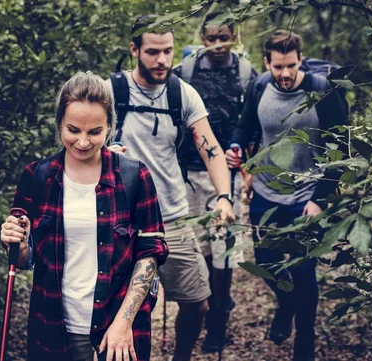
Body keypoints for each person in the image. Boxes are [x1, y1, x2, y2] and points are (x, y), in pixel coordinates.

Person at [0, 72, 168, 361]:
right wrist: (17, 242)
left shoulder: (134, 176)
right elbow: (24, 260)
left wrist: (123, 323)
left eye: (94, 132)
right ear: (59, 125)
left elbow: (150, 254)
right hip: (53, 328)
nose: (82, 141)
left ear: (109, 129)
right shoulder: (36, 177)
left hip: (119, 330)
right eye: (73, 130)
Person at [107, 15, 236, 361]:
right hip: (121, 221)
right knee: (121, 307)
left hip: (172, 219)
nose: (162, 60)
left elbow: (211, 150)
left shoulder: (182, 93)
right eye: (152, 52)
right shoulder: (110, 91)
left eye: (167, 51)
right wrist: (105, 155)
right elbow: (77, 144)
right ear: (134, 50)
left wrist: (223, 196)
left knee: (197, 303)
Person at [226, 30, 349, 361]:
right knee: (266, 262)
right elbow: (245, 125)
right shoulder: (259, 86)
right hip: (266, 191)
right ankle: (286, 305)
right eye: (278, 66)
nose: (284, 74)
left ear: (300, 60)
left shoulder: (322, 90)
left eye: (291, 66)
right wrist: (235, 146)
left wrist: (321, 198)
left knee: (303, 271)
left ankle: (304, 344)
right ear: (267, 61)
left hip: (306, 194)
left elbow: (344, 147)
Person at [173, 12, 258, 353]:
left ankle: (220, 317)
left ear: (234, 35)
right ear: (203, 38)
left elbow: (253, 121)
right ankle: (209, 305)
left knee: (225, 250)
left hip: (230, 174)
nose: (219, 45)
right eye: (212, 38)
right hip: (191, 173)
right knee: (201, 248)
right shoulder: (185, 72)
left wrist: (246, 160)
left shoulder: (247, 74)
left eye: (225, 37)